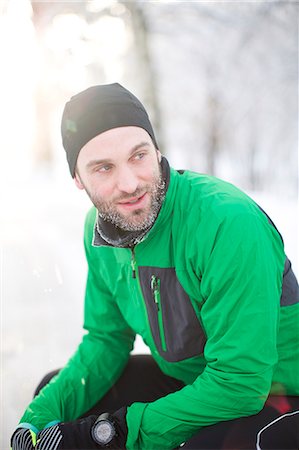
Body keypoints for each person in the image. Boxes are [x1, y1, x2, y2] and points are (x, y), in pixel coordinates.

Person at [11, 83, 299, 450]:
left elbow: (241, 383)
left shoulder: (225, 223)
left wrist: (117, 431)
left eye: (138, 156)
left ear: (157, 149)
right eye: (104, 168)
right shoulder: (97, 232)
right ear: (78, 180)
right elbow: (107, 339)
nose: (130, 183)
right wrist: (35, 420)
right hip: (192, 381)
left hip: (277, 391)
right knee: (59, 409)